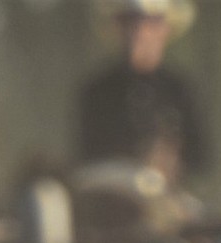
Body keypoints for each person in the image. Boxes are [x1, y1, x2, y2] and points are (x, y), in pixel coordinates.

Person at [76, 0, 208, 191]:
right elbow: (85, 161)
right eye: (132, 21)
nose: (142, 31)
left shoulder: (181, 89)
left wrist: (172, 162)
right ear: (119, 27)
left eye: (153, 22)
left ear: (166, 29)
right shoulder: (97, 92)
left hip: (170, 199)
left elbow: (202, 158)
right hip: (113, 201)